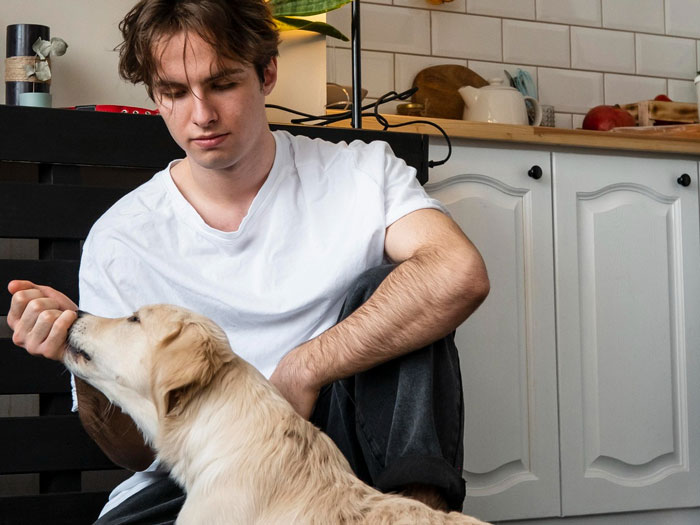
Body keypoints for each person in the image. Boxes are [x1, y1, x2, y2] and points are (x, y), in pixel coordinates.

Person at [6, 0, 490, 522]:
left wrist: (301, 370)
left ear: (267, 74)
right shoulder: (123, 238)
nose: (202, 114)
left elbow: (457, 272)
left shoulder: (360, 174)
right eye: (174, 92)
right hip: (197, 476)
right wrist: (81, 353)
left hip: (342, 470)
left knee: (404, 287)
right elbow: (135, 454)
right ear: (156, 97)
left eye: (222, 83)